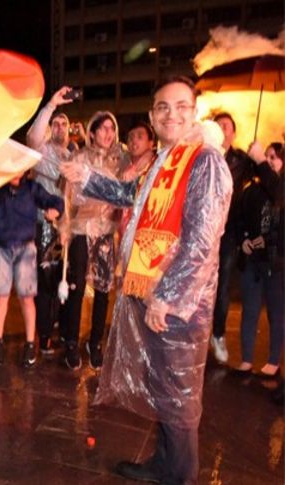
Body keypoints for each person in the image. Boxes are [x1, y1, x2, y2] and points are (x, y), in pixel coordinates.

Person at [61, 75, 232, 485]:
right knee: (164, 386)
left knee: (179, 392)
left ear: (194, 112)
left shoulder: (204, 161)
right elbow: (129, 194)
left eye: (181, 106)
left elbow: (202, 240)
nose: (172, 114)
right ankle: (165, 463)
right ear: (153, 117)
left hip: (178, 304)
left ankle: (181, 475)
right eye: (162, 107)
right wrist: (84, 177)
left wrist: (167, 296)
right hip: (154, 292)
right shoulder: (165, 160)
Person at [60, 111, 126, 370]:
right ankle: (71, 342)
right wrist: (65, 226)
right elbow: (67, 196)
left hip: (107, 231)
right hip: (81, 229)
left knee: (103, 290)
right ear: (93, 132)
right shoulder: (79, 157)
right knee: (76, 288)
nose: (108, 133)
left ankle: (95, 342)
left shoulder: (119, 160)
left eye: (112, 128)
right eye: (103, 128)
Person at [0, 171, 63, 366]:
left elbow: (56, 201)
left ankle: (30, 344)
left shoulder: (31, 188)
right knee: (0, 297)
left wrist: (56, 210)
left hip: (26, 249)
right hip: (1, 248)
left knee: (27, 298)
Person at [25, 86, 73, 355]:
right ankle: (43, 335)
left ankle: (55, 328)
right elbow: (33, 136)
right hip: (43, 225)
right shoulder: (41, 150)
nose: (59, 128)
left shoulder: (73, 156)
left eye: (64, 124)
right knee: (44, 280)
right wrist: (51, 106)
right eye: (55, 124)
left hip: (66, 227)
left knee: (60, 281)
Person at [210, 112, 256, 364]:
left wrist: (258, 155)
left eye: (226, 126)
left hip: (228, 232)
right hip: (203, 231)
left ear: (233, 133)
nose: (221, 129)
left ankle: (218, 334)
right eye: (217, 125)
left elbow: (265, 175)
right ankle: (196, 333)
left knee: (223, 284)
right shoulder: (203, 155)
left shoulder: (240, 160)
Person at [234, 141, 283, 377]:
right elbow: (238, 219)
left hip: (276, 264)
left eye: (274, 157)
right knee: (250, 311)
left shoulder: (280, 190)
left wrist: (269, 240)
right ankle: (246, 360)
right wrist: (243, 239)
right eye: (267, 156)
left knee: (276, 312)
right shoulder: (252, 190)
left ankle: (273, 361)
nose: (269, 161)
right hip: (252, 262)